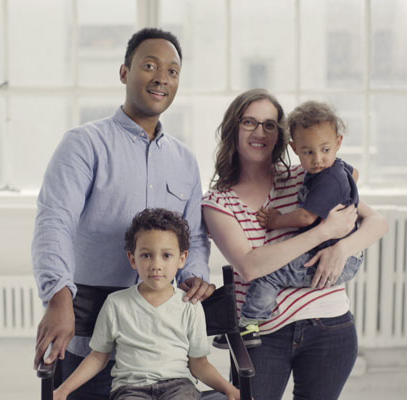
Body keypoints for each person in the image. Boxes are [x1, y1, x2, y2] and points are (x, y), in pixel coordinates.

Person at [32, 28, 213, 397]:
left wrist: (194, 274)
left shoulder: (185, 161)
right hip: (87, 343)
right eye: (149, 65)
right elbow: (55, 221)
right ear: (124, 73)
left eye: (173, 71)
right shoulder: (84, 144)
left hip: (161, 353)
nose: (162, 77)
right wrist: (58, 297)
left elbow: (193, 236)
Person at [202, 89, 388, 399]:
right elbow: (250, 266)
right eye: (249, 122)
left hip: (330, 325)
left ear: (280, 135)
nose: (260, 132)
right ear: (233, 129)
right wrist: (322, 232)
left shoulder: (309, 173)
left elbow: (377, 222)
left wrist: (340, 248)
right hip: (263, 335)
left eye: (270, 124)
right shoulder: (218, 203)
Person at [53, 208, 240, 400]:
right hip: (130, 389)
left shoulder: (189, 305)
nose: (156, 264)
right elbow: (98, 357)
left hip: (179, 387)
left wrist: (230, 390)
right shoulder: (116, 304)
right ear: (133, 259)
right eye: (146, 255)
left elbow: (199, 363)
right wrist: (64, 390)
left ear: (182, 259)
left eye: (166, 255)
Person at [238, 100, 363, 339]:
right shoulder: (335, 168)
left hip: (335, 257)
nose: (317, 159)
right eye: (308, 152)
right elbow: (355, 173)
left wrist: (275, 221)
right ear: (295, 149)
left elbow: (306, 217)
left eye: (325, 150)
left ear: (338, 143)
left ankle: (250, 321)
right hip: (342, 253)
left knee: (269, 272)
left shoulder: (328, 179)